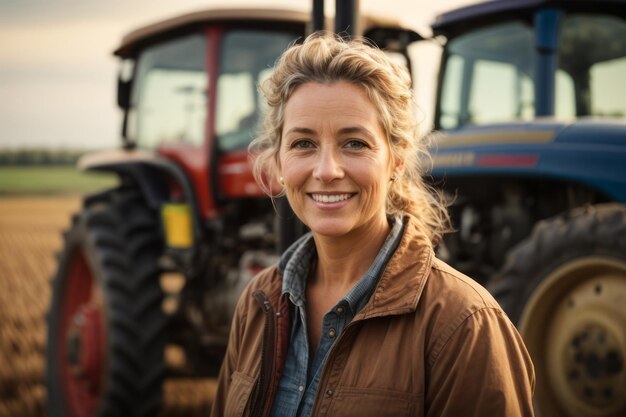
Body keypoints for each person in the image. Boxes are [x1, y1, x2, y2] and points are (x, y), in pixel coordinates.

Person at [211, 33, 535, 417]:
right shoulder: (258, 305)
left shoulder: (464, 324)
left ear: (397, 160)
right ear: (279, 162)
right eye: (303, 144)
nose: (327, 170)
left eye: (355, 143)